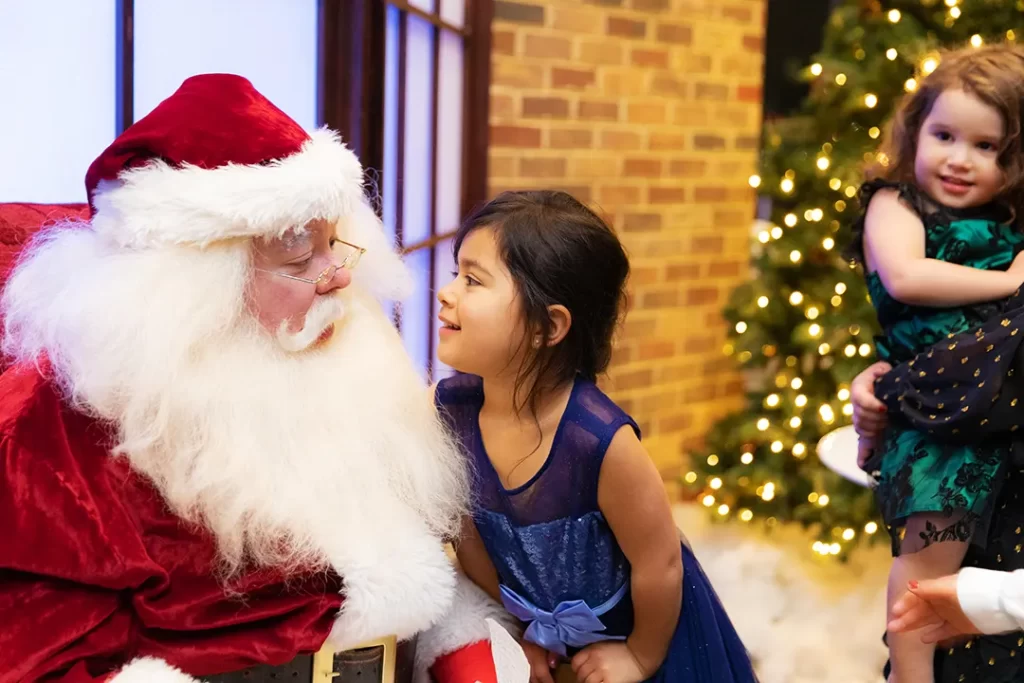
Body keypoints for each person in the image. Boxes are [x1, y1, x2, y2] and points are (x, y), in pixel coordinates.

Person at [0, 74, 526, 683]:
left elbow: (411, 557)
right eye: (300, 260)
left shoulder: (350, 359)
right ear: (193, 293)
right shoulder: (70, 430)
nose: (338, 276)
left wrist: (464, 650)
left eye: (335, 244)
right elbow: (38, 649)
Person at [432, 190, 757, 683]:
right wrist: (521, 629)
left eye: (473, 280)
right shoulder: (450, 412)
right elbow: (469, 540)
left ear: (548, 326)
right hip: (548, 638)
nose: (447, 292)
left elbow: (661, 563)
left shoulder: (600, 440)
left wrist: (640, 656)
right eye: (456, 273)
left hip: (648, 633)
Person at [844, 43, 1024, 683]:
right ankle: (910, 673)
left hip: (997, 415)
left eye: (987, 148)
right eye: (944, 135)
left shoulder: (1005, 222)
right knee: (932, 555)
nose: (958, 159)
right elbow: (905, 276)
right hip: (934, 419)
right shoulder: (895, 204)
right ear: (914, 129)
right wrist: (1006, 283)